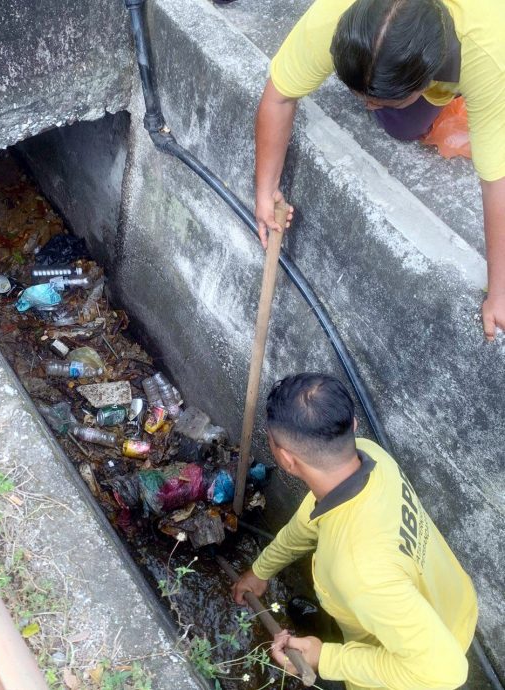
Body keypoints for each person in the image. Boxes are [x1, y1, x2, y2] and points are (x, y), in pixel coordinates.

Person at [254, 0, 505, 341]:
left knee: (430, 124)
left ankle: (463, 99)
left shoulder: (489, 53)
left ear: (426, 79)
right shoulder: (333, 18)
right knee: (400, 126)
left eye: (380, 99)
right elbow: (279, 97)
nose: (368, 106)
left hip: (476, 53)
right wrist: (265, 189)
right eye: (360, 96)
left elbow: (496, 185)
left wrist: (500, 292)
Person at [232, 373, 478, 690]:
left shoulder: (357, 570)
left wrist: (328, 658)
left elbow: (445, 672)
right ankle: (327, 626)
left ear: (285, 459)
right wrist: (261, 570)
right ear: (353, 426)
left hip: (416, 668)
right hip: (451, 602)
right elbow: (308, 521)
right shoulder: (367, 455)